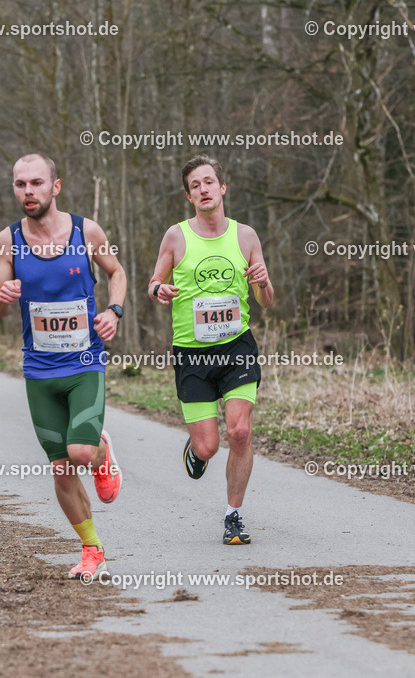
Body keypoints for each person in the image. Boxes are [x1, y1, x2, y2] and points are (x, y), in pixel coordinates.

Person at [0, 153, 126, 579]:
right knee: (62, 468)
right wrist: (2, 297)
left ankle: (101, 454)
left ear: (55, 186)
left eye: (36, 183)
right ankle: (92, 550)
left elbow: (117, 272)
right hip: (39, 370)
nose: (28, 192)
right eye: (20, 184)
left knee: (80, 452)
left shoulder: (87, 232)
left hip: (85, 363)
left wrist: (114, 310)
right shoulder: (8, 240)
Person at [148, 155, 274, 545]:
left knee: (240, 431)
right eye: (195, 185)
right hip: (192, 353)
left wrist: (263, 282)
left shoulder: (246, 236)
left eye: (208, 182)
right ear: (189, 196)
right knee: (209, 446)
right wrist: (159, 289)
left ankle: (233, 515)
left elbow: (266, 300)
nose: (203, 189)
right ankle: (197, 450)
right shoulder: (176, 237)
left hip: (237, 347)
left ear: (222, 188)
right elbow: (153, 282)